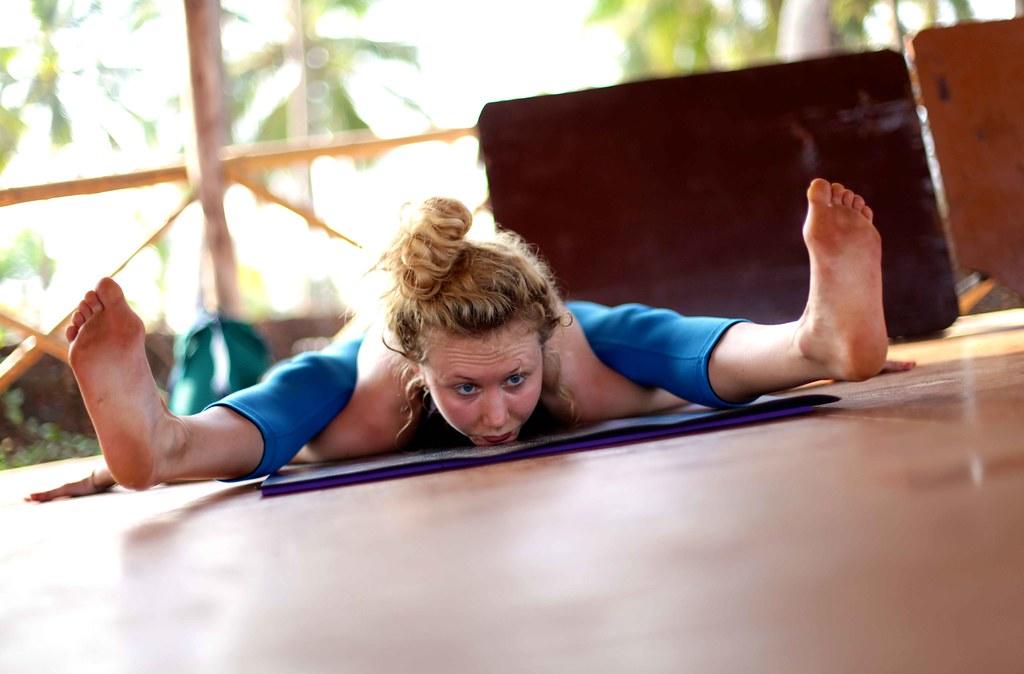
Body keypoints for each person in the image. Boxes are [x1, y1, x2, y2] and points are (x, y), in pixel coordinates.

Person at [27, 179, 912, 502]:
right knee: (224, 439)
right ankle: (148, 417)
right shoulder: (370, 405)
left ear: (542, 342)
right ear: (422, 373)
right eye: (466, 391)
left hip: (586, 337)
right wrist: (132, 454)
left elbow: (697, 368)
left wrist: (810, 361)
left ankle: (822, 333)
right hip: (355, 364)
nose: (498, 413)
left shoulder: (574, 359)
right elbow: (240, 447)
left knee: (676, 354)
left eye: (514, 381)